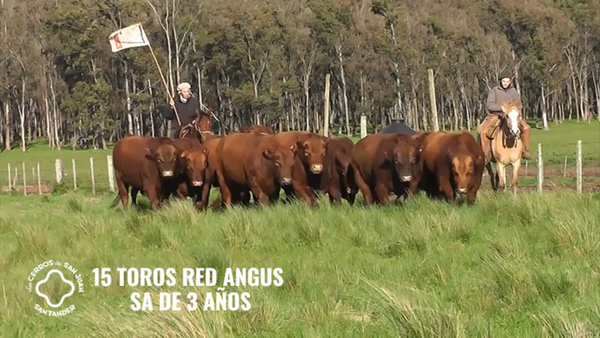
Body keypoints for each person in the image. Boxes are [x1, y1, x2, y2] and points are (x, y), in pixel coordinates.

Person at [478, 71, 531, 163]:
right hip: (496, 115)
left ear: (510, 81)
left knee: (526, 127)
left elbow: (518, 104)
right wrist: (500, 108)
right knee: (483, 130)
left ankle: (525, 150)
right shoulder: (494, 90)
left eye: (507, 81)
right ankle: (486, 154)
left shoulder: (513, 91)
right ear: (500, 81)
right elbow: (489, 105)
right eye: (504, 81)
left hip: (511, 116)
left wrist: (517, 113)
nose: (505, 83)